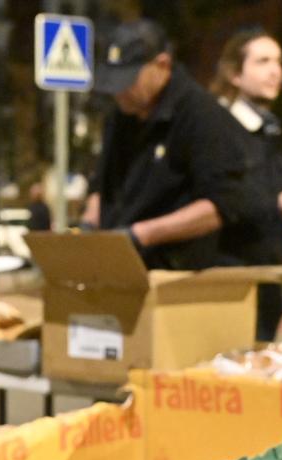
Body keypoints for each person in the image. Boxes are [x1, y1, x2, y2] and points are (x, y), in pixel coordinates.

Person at [82, 19, 249, 271]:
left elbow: (220, 205)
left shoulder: (202, 116)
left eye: (128, 81)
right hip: (117, 266)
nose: (119, 93)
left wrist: (141, 235)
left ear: (162, 65)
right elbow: (102, 184)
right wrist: (87, 226)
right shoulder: (120, 115)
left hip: (175, 273)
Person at [211, 29, 282, 341]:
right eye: (262, 61)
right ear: (234, 74)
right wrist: (278, 202)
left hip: (266, 272)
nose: (276, 71)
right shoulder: (221, 129)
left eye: (278, 62)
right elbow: (227, 198)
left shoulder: (268, 128)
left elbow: (268, 194)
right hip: (232, 276)